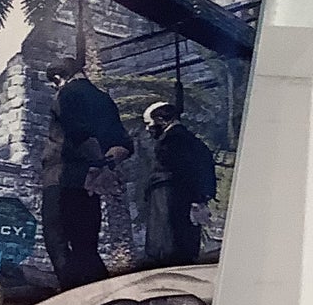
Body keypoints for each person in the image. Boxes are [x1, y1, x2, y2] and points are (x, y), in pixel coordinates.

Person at [40, 59, 132, 290]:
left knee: (57, 239)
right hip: (92, 182)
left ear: (59, 78)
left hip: (63, 176)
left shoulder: (66, 94)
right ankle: (102, 295)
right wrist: (104, 165)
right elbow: (123, 143)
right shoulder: (103, 98)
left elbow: (76, 133)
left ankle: (71, 294)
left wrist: (92, 164)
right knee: (86, 246)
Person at [143, 101, 218, 266]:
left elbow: (183, 172)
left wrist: (195, 199)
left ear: (161, 121)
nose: (148, 129)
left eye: (149, 124)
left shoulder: (170, 142)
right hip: (182, 203)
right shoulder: (192, 141)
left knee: (168, 252)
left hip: (169, 205)